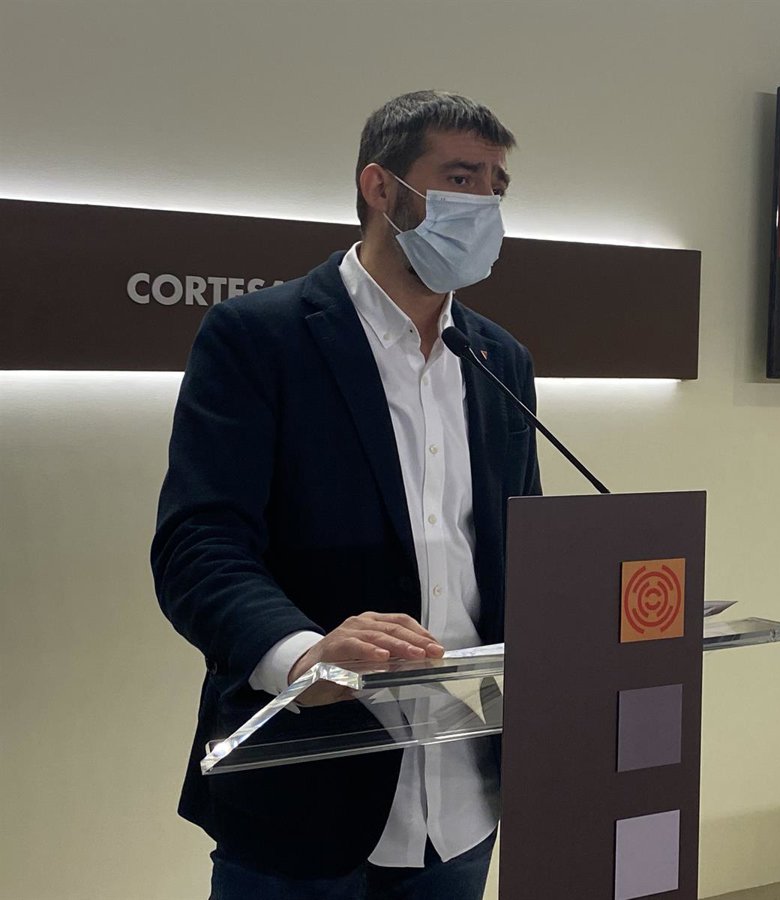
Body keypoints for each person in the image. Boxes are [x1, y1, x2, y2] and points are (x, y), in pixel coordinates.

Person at [151, 90, 540, 900]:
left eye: (496, 186)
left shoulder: (500, 358)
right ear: (380, 186)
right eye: (460, 178)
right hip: (304, 794)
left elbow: (519, 551)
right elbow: (200, 545)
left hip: (465, 798)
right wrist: (301, 655)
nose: (484, 203)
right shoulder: (259, 337)